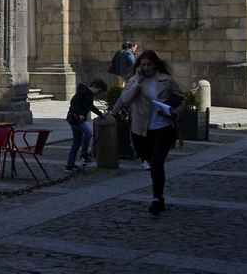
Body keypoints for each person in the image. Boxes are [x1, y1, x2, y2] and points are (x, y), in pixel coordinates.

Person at [112, 50, 184, 215]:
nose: (146, 67)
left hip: (163, 127)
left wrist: (174, 111)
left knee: (157, 163)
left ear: (155, 65)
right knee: (149, 161)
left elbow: (180, 97)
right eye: (143, 64)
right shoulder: (134, 80)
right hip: (141, 129)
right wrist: (138, 82)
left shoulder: (166, 80)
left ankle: (157, 198)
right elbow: (125, 99)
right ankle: (157, 194)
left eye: (149, 64)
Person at [66, 79, 108, 171]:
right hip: (76, 119)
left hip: (73, 119)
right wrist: (79, 114)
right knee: (88, 133)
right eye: (99, 91)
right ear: (96, 87)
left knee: (76, 143)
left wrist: (100, 114)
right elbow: (74, 103)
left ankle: (70, 165)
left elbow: (90, 106)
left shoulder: (86, 93)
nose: (98, 94)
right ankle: (84, 154)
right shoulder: (85, 92)